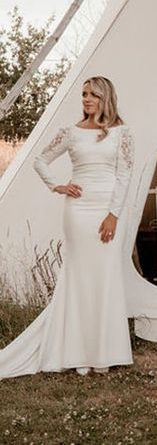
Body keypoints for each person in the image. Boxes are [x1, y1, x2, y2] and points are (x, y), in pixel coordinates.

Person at [0, 76, 134, 379]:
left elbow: (125, 175)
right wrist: (57, 186)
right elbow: (40, 160)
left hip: (108, 210)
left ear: (106, 98)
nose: (86, 99)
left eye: (93, 95)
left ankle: (103, 352)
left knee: (105, 276)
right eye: (84, 94)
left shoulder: (122, 133)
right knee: (79, 277)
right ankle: (77, 353)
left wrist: (113, 214)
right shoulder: (71, 133)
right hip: (78, 212)